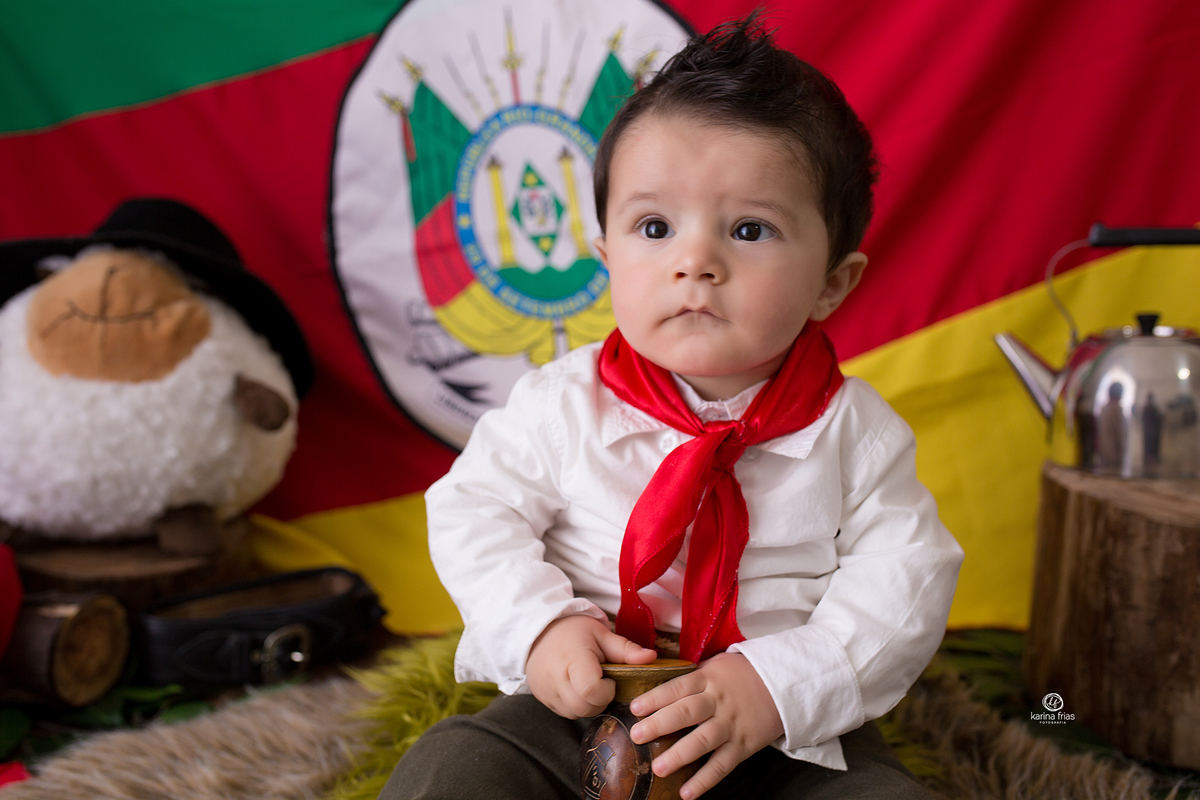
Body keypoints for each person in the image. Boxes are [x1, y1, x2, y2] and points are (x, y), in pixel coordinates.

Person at [379, 15, 963, 800]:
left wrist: (777, 687)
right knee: (454, 770)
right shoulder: (562, 405)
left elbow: (908, 576)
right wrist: (540, 627)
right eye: (655, 227)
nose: (696, 262)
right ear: (607, 258)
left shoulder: (855, 432)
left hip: (780, 725)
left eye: (749, 229)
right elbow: (471, 511)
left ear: (834, 281)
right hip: (588, 701)